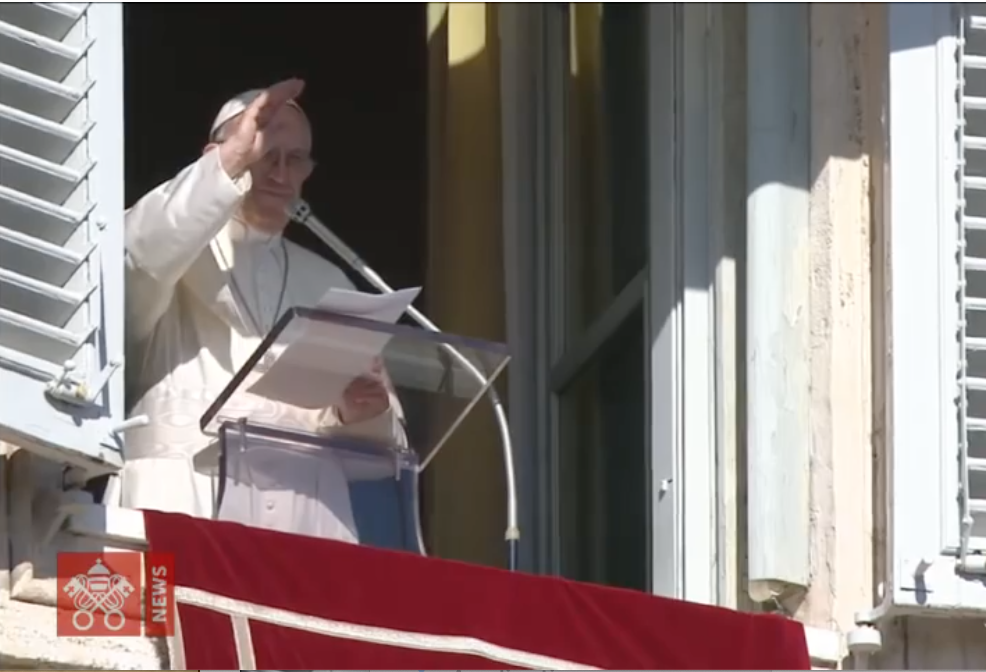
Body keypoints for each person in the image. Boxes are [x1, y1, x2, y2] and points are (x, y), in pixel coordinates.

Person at [110, 78, 406, 543]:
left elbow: (392, 443)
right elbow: (139, 251)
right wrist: (229, 162)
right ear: (216, 156)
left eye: (296, 159)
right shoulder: (166, 250)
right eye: (265, 155)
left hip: (305, 518)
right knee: (142, 596)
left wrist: (360, 413)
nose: (281, 174)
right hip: (181, 496)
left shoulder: (328, 280)